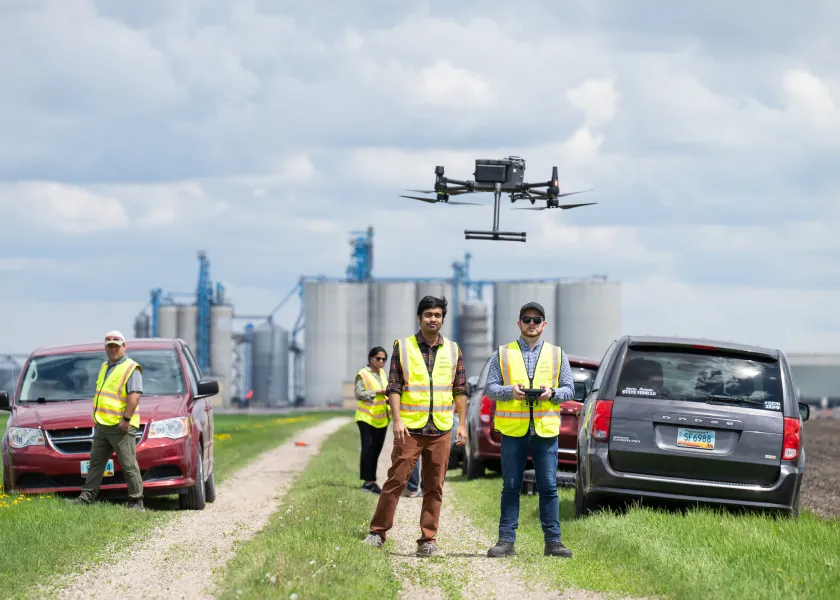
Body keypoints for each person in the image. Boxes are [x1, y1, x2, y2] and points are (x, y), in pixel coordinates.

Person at [363, 295, 467, 557]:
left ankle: (428, 540)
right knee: (395, 481)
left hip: (441, 429)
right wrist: (397, 419)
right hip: (409, 428)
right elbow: (394, 387)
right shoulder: (404, 347)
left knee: (435, 486)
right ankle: (377, 532)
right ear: (419, 317)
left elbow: (460, 389)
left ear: (443, 318)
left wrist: (462, 424)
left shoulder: (454, 350)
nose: (433, 319)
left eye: (438, 315)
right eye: (428, 314)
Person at [484, 302, 575, 558]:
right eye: (527, 319)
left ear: (544, 324)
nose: (532, 324)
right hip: (514, 430)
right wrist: (508, 390)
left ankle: (553, 542)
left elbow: (569, 389)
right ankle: (505, 541)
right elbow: (490, 388)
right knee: (511, 485)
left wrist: (552, 393)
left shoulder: (558, 355)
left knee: (548, 486)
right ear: (519, 323)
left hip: (545, 430)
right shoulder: (502, 353)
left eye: (537, 320)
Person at [70, 330, 145, 510]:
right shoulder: (105, 366)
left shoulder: (131, 368)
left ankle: (136, 502)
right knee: (95, 463)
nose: (113, 350)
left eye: (116, 347)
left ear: (124, 347)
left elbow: (134, 396)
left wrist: (126, 419)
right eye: (109, 346)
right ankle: (86, 498)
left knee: (128, 465)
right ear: (105, 348)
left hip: (120, 426)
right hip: (103, 425)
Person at [356, 346, 391, 494]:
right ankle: (367, 482)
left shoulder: (382, 373)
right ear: (371, 358)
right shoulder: (363, 374)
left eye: (384, 359)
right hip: (366, 417)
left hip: (381, 418)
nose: (381, 361)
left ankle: (372, 481)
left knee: (376, 450)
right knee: (368, 449)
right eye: (378, 358)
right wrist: (378, 392)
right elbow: (359, 394)